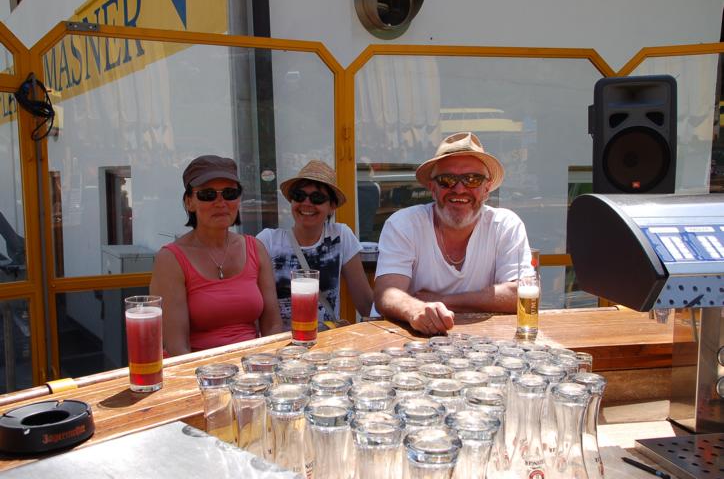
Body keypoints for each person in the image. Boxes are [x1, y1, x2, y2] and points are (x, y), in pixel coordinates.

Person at [374, 132, 533, 335]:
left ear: (487, 188)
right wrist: (416, 311)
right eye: (447, 180)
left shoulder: (505, 224)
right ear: (432, 188)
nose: (459, 189)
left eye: (472, 179)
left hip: (483, 342)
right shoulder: (403, 224)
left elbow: (520, 294)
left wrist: (441, 301)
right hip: (410, 339)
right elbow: (386, 294)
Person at [150, 155, 282, 356]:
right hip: (199, 368)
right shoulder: (171, 259)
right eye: (208, 194)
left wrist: (266, 364)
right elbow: (177, 347)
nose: (220, 202)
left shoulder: (255, 248)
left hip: (253, 366)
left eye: (230, 193)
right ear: (189, 202)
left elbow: (273, 325)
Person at [257, 159, 373, 330]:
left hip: (326, 339)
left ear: (332, 206)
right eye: (299, 195)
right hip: (281, 341)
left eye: (317, 198)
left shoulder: (340, 235)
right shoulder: (268, 240)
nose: (306, 203)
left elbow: (365, 302)